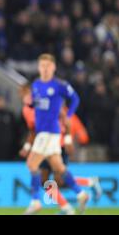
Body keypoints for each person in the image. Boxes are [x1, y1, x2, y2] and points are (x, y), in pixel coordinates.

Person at [23, 54, 90, 215]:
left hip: (49, 132)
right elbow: (38, 104)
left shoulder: (59, 85)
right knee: (59, 167)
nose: (45, 69)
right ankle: (81, 194)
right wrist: (31, 103)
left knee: (32, 165)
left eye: (48, 66)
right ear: (39, 68)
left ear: (53, 68)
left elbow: (75, 99)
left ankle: (35, 202)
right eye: (42, 66)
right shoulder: (36, 85)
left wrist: (67, 117)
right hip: (45, 133)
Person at [19, 84, 102, 215]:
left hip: (58, 145)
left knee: (58, 180)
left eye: (28, 95)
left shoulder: (47, 104)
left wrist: (69, 140)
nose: (26, 98)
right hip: (44, 144)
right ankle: (68, 205)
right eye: (24, 96)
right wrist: (27, 146)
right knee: (44, 181)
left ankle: (86, 186)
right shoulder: (27, 110)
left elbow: (69, 123)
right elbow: (33, 129)